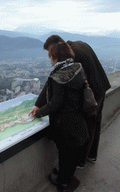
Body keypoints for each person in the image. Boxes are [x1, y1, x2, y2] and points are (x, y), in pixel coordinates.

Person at [29, 42, 89, 190]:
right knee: (72, 153)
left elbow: (56, 103)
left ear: (56, 57)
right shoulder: (76, 68)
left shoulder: (59, 76)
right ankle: (66, 174)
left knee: (65, 153)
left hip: (65, 123)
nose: (50, 61)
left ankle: (63, 180)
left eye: (51, 57)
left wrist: (38, 113)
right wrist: (38, 103)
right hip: (78, 118)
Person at [43, 35, 111, 166]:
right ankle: (92, 155)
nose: (53, 55)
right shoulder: (80, 44)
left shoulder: (72, 54)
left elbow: (58, 77)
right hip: (101, 87)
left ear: (59, 44)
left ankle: (81, 161)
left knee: (88, 126)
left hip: (92, 93)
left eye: (52, 51)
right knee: (95, 123)